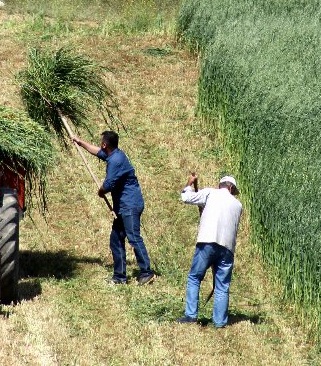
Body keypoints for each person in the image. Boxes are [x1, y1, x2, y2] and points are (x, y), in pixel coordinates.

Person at [72, 131, 156, 285]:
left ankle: (147, 272)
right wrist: (80, 142)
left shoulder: (116, 161)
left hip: (130, 205)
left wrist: (100, 191)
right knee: (116, 239)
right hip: (123, 206)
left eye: (101, 142)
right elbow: (97, 152)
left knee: (134, 237)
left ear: (105, 144)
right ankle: (120, 277)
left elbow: (108, 185)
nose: (99, 145)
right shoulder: (114, 154)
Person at [176, 173, 243, 328]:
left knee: (195, 277)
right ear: (231, 188)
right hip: (227, 248)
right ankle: (219, 322)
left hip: (207, 242)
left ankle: (191, 315)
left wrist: (189, 184)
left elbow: (186, 197)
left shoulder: (210, 193)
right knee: (222, 285)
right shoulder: (238, 206)